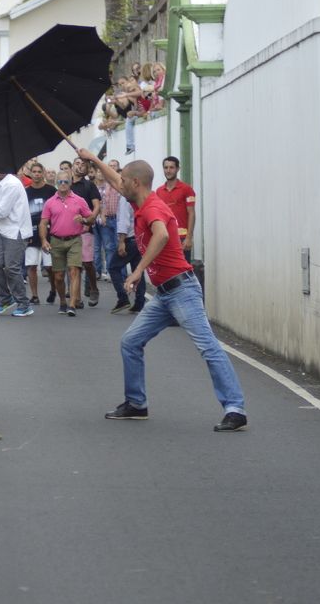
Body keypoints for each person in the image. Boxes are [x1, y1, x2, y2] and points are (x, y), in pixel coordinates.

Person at [78, 148, 248, 432]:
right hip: (164, 296)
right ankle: (136, 404)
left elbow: (163, 235)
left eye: (124, 182)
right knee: (130, 342)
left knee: (209, 348)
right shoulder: (139, 202)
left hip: (183, 290)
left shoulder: (153, 208)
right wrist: (94, 160)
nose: (119, 186)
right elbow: (117, 180)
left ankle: (235, 408)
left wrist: (138, 269)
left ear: (136, 184)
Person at [39, 171, 92, 317]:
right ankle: (63, 301)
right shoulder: (50, 202)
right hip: (56, 241)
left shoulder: (79, 200)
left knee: (74, 271)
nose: (63, 184)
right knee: (58, 276)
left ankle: (72, 304)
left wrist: (85, 220)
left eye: (66, 182)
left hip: (75, 240)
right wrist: (44, 240)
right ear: (56, 183)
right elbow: (43, 223)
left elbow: (90, 217)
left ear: (70, 183)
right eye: (60, 182)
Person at [0, 167, 33, 317]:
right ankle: (5, 299)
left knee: (12, 267)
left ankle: (24, 304)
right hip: (0, 228)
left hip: (16, 230)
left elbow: (1, 211)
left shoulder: (12, 184)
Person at [108, 189, 146, 313]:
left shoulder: (125, 199)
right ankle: (140, 302)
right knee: (137, 270)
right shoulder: (139, 196)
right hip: (139, 238)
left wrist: (121, 242)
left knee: (113, 267)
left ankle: (123, 297)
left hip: (129, 239)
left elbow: (124, 220)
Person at [70, 156, 101, 306]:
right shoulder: (65, 185)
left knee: (87, 263)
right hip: (69, 229)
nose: (80, 166)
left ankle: (93, 288)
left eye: (83, 164)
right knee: (74, 266)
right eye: (77, 163)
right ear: (72, 166)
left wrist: (91, 219)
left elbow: (96, 205)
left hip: (85, 229)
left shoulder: (89, 185)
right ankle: (77, 298)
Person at [24, 161, 55, 305]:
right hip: (31, 233)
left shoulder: (51, 190)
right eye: (34, 171)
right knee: (31, 265)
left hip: (48, 233)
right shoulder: (25, 191)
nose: (36, 174)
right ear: (30, 173)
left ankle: (54, 288)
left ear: (43, 173)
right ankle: (34, 295)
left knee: (49, 266)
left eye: (39, 171)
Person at [155, 156, 196, 263]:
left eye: (171, 167)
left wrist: (189, 238)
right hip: (164, 238)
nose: (168, 170)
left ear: (178, 169)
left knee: (183, 273)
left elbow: (191, 213)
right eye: (166, 167)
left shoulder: (186, 189)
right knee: (167, 272)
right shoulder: (159, 191)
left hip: (181, 238)